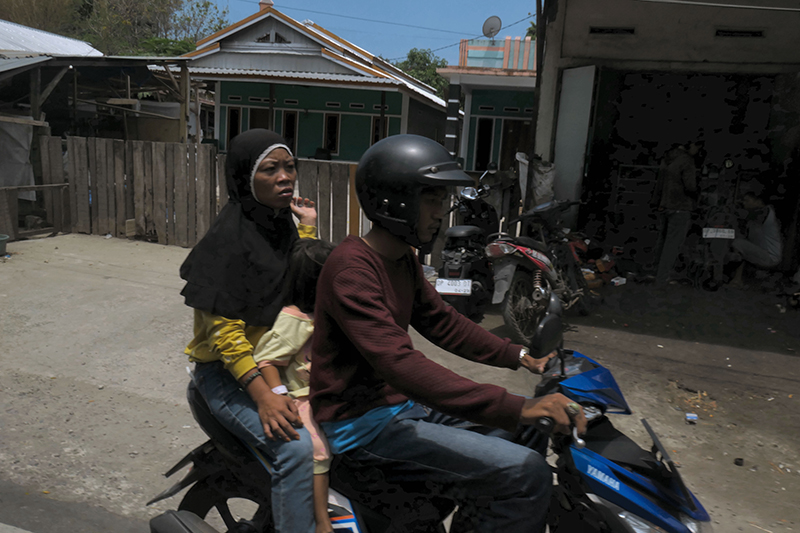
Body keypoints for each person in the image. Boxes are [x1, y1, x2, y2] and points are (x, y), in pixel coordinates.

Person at [309, 134, 587, 533]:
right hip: (362, 430)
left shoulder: (401, 258)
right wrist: (516, 405)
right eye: (432, 199)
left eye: (442, 200)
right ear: (392, 200)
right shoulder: (352, 270)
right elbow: (399, 364)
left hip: (401, 410)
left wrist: (520, 356)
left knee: (530, 428)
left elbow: (442, 321)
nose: (441, 213)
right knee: (525, 473)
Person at [178, 129, 319, 532]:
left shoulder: (281, 228)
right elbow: (225, 337)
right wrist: (264, 396)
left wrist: (308, 228)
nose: (285, 177)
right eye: (270, 169)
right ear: (245, 178)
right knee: (297, 450)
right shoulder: (225, 244)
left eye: (289, 167)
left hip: (277, 366)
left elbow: (300, 273)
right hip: (229, 377)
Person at [253, 238, 336, 533]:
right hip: (302, 397)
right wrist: (280, 394)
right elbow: (266, 360)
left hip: (326, 391)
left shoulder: (326, 312)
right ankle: (321, 520)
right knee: (318, 450)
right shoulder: (295, 319)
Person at [650, 139, 703, 284]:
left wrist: (657, 202)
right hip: (681, 205)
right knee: (673, 243)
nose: (697, 151)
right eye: (697, 147)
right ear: (691, 144)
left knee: (662, 240)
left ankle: (656, 271)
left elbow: (659, 183)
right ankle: (663, 276)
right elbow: (690, 186)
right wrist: (698, 196)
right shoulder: (687, 160)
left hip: (665, 204)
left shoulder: (667, 158)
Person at [728, 191, 782, 287]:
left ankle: (737, 279)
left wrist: (731, 208)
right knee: (738, 241)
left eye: (747, 200)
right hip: (763, 253)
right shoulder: (755, 218)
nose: (744, 203)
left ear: (758, 202)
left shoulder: (765, 212)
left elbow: (744, 214)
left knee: (737, 243)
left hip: (770, 257)